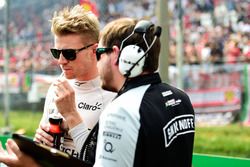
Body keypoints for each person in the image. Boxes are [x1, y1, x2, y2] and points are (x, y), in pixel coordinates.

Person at [0, 17, 195, 167]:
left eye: (100, 53)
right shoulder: (180, 97)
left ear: (120, 56)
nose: (60, 60)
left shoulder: (122, 108)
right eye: (55, 53)